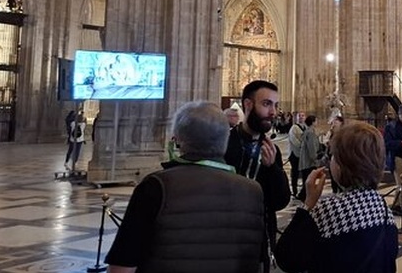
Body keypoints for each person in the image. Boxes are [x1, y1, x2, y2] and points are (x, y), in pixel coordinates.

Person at [105, 102, 265, 273]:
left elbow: (122, 267)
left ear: (178, 139)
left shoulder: (156, 186)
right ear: (225, 140)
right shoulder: (253, 191)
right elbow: (259, 263)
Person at [275, 122, 398, 272]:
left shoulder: (328, 211)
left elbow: (286, 258)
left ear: (343, 164)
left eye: (333, 155)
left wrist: (308, 204)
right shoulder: (383, 208)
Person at [224, 80, 291, 273]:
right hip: (225, 238)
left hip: (259, 241)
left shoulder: (271, 149)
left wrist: (272, 169)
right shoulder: (224, 143)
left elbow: (280, 201)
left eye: (275, 105)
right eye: (266, 104)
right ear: (248, 104)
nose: (273, 112)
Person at [296, 115, 320, 202]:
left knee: (306, 179)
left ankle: (302, 195)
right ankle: (304, 196)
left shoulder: (308, 131)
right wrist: (315, 159)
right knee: (309, 180)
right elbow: (312, 148)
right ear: (313, 122)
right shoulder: (310, 133)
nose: (317, 122)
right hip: (309, 162)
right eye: (316, 121)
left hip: (306, 161)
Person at [288, 111, 306, 197]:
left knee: (304, 172)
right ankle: (294, 190)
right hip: (295, 153)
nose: (301, 117)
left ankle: (303, 190)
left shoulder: (305, 127)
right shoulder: (293, 128)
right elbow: (294, 140)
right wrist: (302, 146)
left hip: (303, 154)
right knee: (295, 172)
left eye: (303, 115)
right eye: (299, 116)